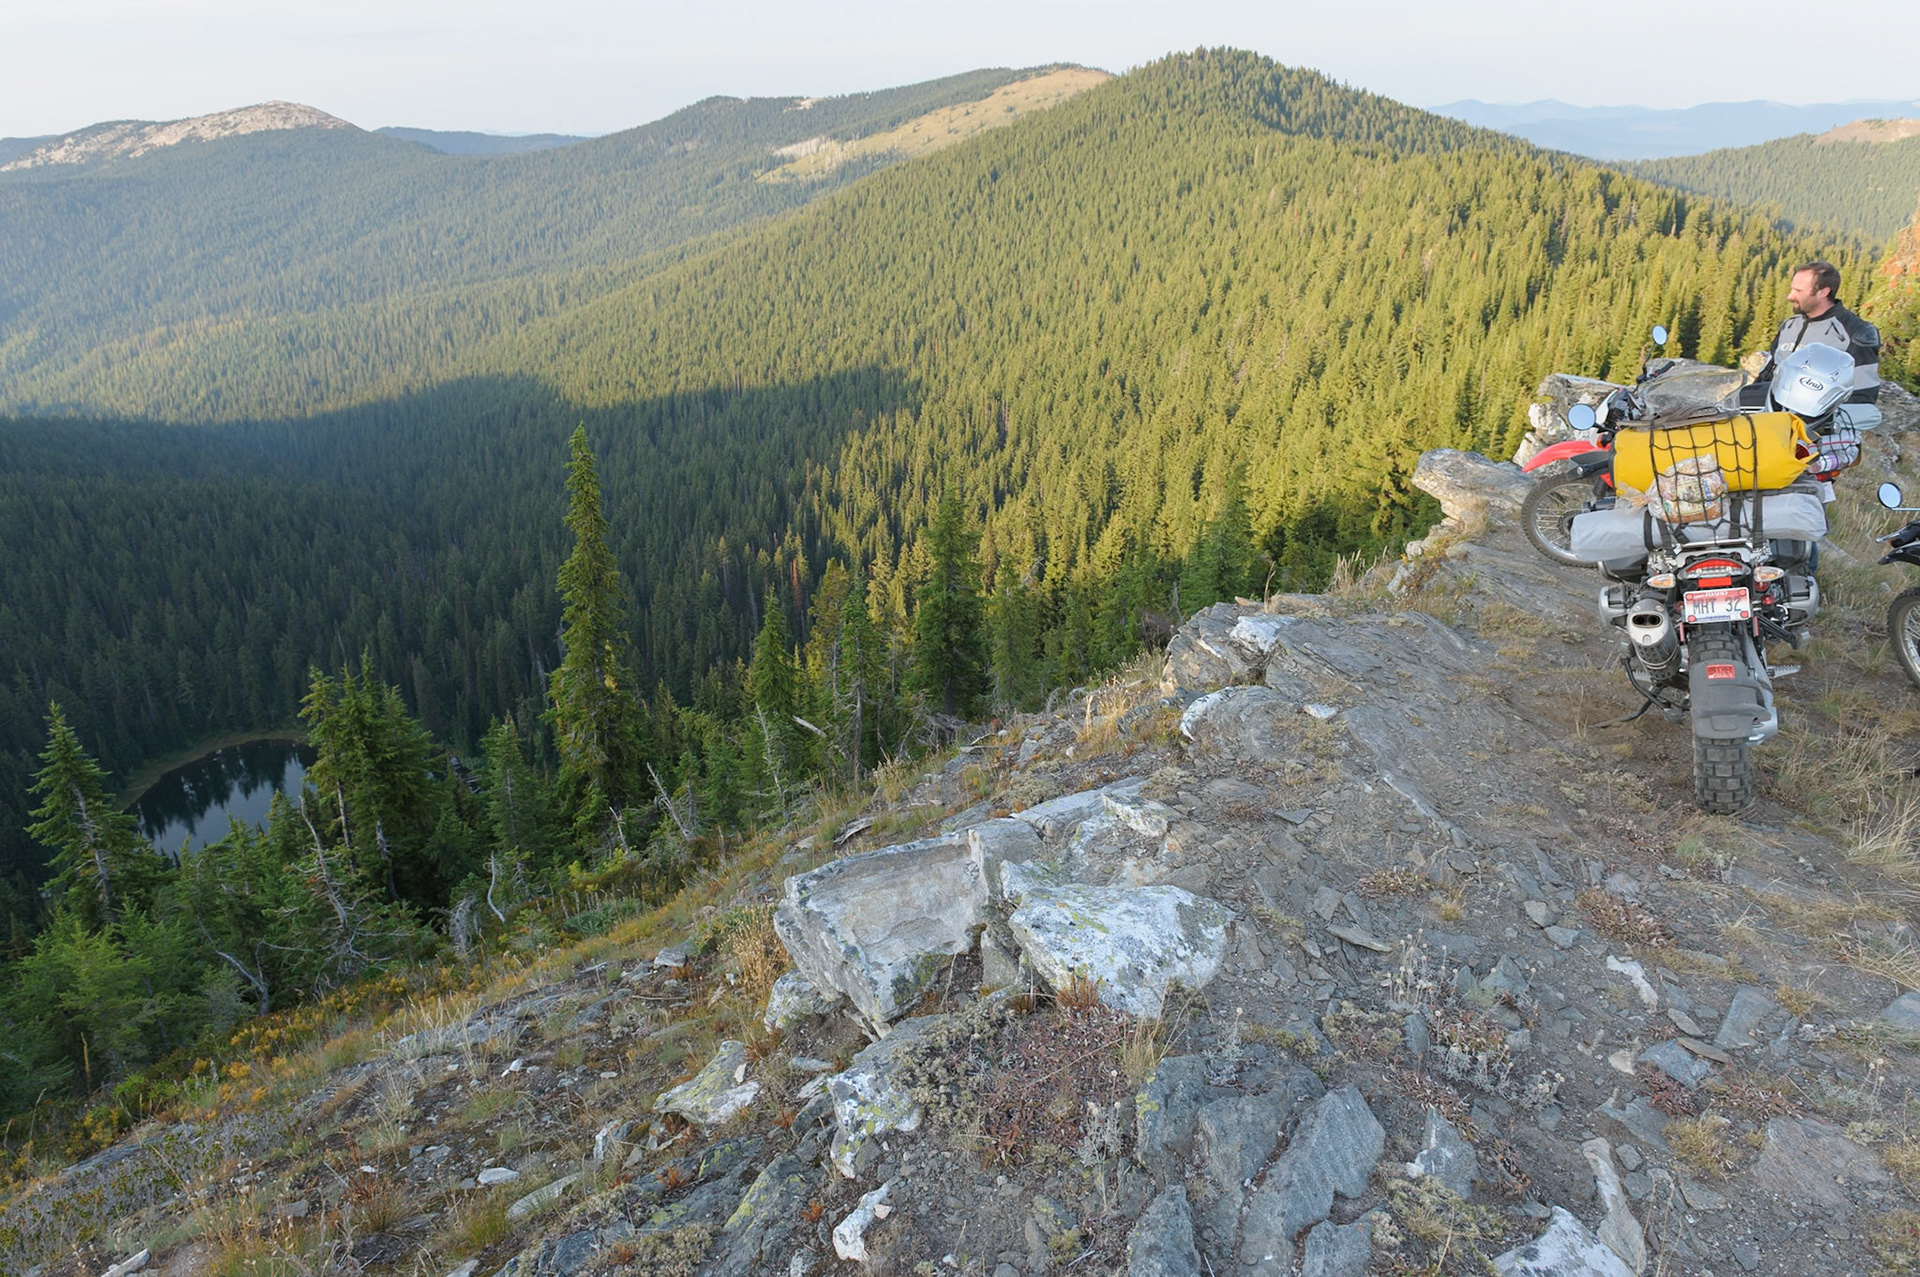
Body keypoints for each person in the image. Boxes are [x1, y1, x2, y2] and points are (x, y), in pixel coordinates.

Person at [1748, 259, 1881, 408]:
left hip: (1815, 420)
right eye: (1792, 289)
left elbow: (1863, 395)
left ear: (1823, 292)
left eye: (1798, 291)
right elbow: (1768, 373)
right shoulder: (1789, 326)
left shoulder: (1854, 333)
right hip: (1772, 415)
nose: (1790, 296)